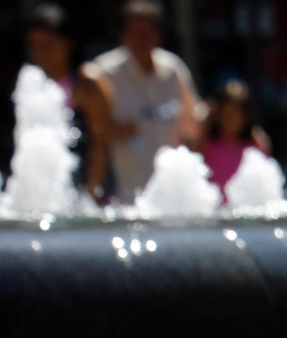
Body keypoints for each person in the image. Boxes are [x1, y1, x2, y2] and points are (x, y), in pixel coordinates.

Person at [85, 0, 204, 200]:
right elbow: (89, 134)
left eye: (148, 32)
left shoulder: (173, 69)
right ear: (123, 35)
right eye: (135, 33)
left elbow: (195, 122)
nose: (142, 40)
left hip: (169, 196)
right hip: (122, 197)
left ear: (159, 35)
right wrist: (112, 132)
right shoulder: (103, 73)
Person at [25, 4, 113, 203]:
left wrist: (90, 196)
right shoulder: (34, 83)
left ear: (68, 43)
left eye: (48, 44)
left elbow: (101, 147)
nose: (41, 53)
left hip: (90, 195)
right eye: (35, 46)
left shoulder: (87, 82)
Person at [200, 79, 270, 200]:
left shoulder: (254, 145)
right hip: (215, 212)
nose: (231, 119)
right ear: (218, 115)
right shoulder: (208, 143)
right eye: (226, 114)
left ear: (246, 116)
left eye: (236, 115)